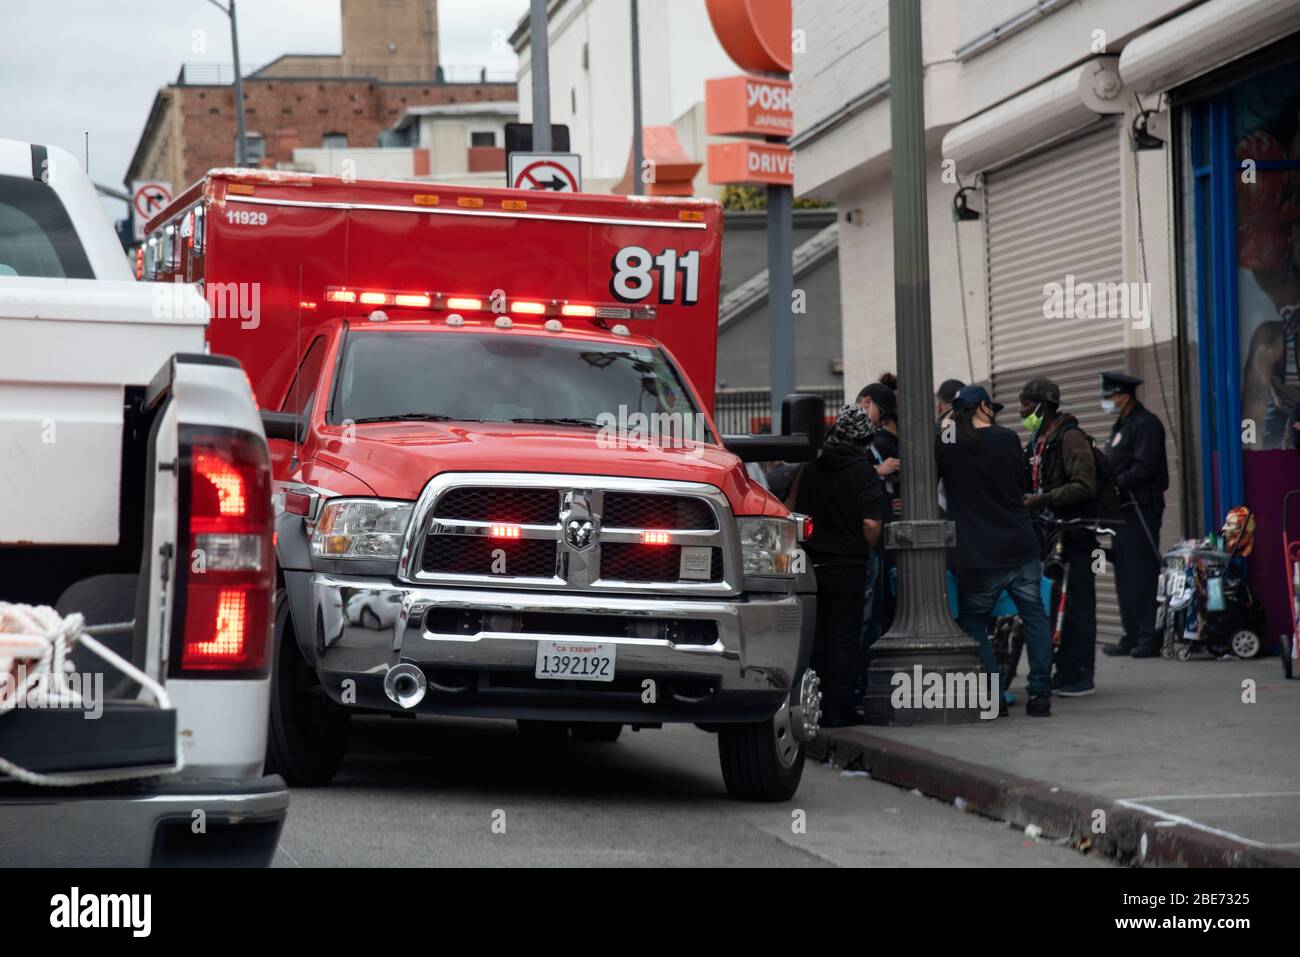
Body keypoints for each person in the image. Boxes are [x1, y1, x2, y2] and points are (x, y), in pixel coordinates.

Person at [935, 385, 1052, 717]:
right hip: (1018, 544)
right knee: (1035, 617)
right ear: (984, 407)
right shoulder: (1007, 439)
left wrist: (945, 424)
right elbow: (1021, 485)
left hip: (976, 553)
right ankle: (1040, 695)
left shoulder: (949, 444)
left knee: (974, 620)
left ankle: (992, 696)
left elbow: (935, 464)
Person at [792, 405, 889, 726]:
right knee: (844, 637)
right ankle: (839, 710)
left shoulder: (811, 467)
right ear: (863, 441)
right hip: (848, 566)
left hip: (813, 565)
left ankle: (812, 707)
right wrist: (863, 549)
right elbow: (872, 525)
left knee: (816, 638)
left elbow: (794, 512)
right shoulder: (864, 472)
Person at [1018, 377, 1099, 696]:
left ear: (1043, 404)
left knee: (1078, 605)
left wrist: (1043, 499)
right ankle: (1062, 669)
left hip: (1076, 534)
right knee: (1054, 604)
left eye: (1026, 405)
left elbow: (1085, 484)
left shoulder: (1070, 437)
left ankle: (1081, 674)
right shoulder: (1040, 439)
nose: (1022, 411)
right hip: (1048, 534)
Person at [1098, 371, 1169, 658]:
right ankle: (1131, 635)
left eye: (1109, 396)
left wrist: (1116, 482)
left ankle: (1149, 637)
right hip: (1121, 510)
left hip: (1141, 507)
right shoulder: (1122, 424)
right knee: (1125, 576)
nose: (1106, 402)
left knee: (1142, 574)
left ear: (1124, 396)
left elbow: (1145, 467)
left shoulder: (1146, 424)